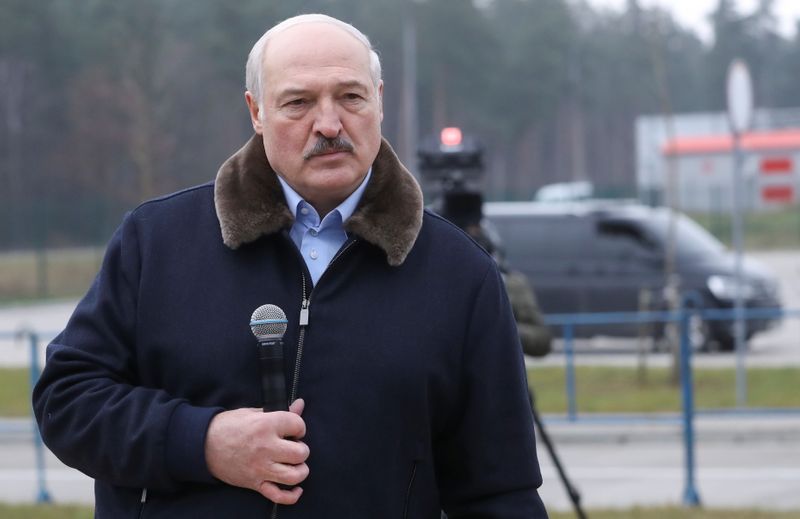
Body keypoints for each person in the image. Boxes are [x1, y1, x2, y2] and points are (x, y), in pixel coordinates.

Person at [33, 14, 548, 518]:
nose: (328, 124)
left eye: (350, 96)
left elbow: (501, 492)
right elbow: (68, 399)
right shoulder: (156, 242)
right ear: (256, 111)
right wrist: (201, 442)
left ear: (380, 101)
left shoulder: (461, 275)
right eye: (298, 102)